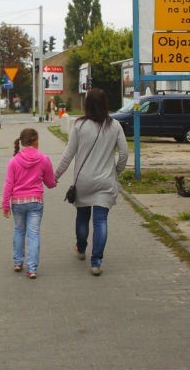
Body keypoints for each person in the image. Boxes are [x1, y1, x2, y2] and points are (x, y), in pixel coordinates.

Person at [54, 88, 128, 276]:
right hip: (105, 182)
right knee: (101, 221)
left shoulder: (79, 125)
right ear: (105, 104)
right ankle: (96, 262)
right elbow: (124, 154)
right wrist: (115, 172)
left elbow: (68, 155)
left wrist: (54, 177)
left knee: (82, 217)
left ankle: (81, 248)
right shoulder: (115, 126)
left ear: (87, 104)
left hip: (84, 182)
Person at [2, 127, 57, 279]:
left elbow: (8, 185)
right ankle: (32, 269)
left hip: (18, 202)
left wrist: (5, 205)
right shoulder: (44, 159)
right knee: (33, 234)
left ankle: (18, 262)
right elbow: (50, 182)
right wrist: (53, 183)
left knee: (19, 230)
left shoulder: (13, 161)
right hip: (35, 202)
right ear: (34, 141)